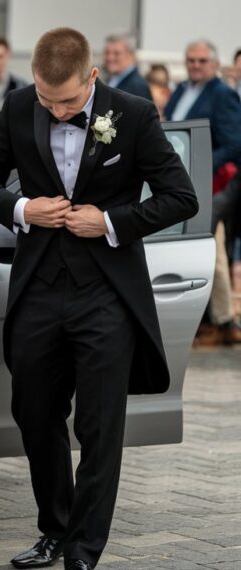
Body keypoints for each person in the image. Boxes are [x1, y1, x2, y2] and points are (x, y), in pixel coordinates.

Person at [0, 27, 197, 570]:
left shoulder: (134, 114)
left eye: (66, 100)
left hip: (106, 294)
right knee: (35, 414)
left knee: (99, 424)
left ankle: (82, 551)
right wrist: (22, 210)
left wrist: (111, 221)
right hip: (38, 287)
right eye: (47, 99)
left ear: (92, 77)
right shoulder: (20, 105)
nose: (54, 108)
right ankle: (54, 528)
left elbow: (179, 197)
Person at [164, 39, 241, 344]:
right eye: (190, 60)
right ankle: (220, 319)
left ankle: (219, 319)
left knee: (205, 247)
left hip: (208, 183)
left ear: (213, 63)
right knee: (210, 249)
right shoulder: (182, 90)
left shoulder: (222, 94)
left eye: (201, 61)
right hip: (178, 180)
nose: (195, 65)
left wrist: (199, 164)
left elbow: (234, 143)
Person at [103, 33, 152, 100]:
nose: (110, 58)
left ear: (132, 55)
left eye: (116, 53)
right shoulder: (110, 80)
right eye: (107, 52)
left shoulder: (138, 86)